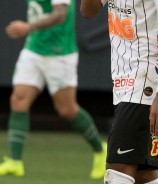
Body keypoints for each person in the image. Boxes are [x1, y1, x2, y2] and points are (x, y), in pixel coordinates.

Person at [0, 0, 107, 179]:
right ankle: (15, 161)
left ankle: (101, 149)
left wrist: (28, 27)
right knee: (18, 99)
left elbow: (60, 14)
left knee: (67, 109)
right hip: (34, 49)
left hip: (59, 53)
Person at [80, 0, 158, 183]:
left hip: (148, 82)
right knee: (144, 174)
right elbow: (88, 11)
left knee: (117, 170)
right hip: (123, 82)